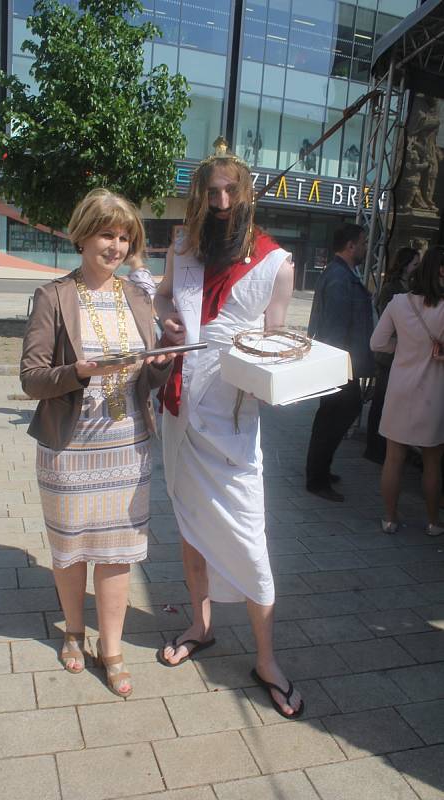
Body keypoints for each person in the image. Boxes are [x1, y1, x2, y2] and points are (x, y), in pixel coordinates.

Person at [155, 148, 304, 719]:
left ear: (246, 195)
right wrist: (165, 315)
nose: (220, 204)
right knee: (190, 524)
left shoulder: (277, 263)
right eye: (211, 193)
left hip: (234, 423)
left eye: (229, 193)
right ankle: (202, 624)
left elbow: (276, 343)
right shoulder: (185, 247)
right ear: (200, 195)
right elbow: (166, 296)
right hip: (179, 410)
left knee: (248, 536)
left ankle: (266, 659)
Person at [20, 189, 174, 698]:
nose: (117, 245)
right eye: (108, 233)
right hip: (70, 447)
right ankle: (72, 630)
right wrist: (79, 371)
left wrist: (164, 360)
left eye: (125, 235)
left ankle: (111, 648)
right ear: (83, 234)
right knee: (70, 551)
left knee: (116, 553)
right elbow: (32, 378)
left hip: (127, 445)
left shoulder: (137, 296)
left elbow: (147, 381)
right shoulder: (53, 296)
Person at [370, 246, 444, 535]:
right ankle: (432, 522)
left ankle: (389, 518)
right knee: (432, 462)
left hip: (399, 388)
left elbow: (377, 343)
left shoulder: (399, 303)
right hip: (434, 394)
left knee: (393, 457)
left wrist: (400, 349)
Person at [306, 223, 373, 501]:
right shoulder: (338, 277)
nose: (366, 247)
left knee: (329, 418)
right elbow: (334, 329)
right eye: (363, 242)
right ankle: (317, 479)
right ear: (351, 245)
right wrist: (337, 368)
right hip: (339, 365)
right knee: (334, 418)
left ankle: (320, 471)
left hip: (340, 364)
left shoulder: (341, 273)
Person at [365, 247, 420, 464]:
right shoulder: (391, 289)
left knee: (390, 401)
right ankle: (374, 447)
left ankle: (387, 446)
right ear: (405, 265)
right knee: (380, 400)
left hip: (401, 353)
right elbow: (385, 322)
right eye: (415, 264)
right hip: (388, 354)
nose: (417, 268)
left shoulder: (413, 287)